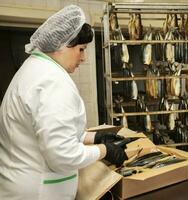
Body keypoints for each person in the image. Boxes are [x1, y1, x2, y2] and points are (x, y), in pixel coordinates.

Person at [0, 5, 128, 200]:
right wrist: (104, 150)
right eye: (81, 49)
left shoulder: (34, 69)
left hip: (19, 185)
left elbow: (48, 130)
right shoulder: (53, 82)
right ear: (62, 45)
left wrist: (94, 138)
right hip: (40, 192)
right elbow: (62, 155)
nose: (84, 58)